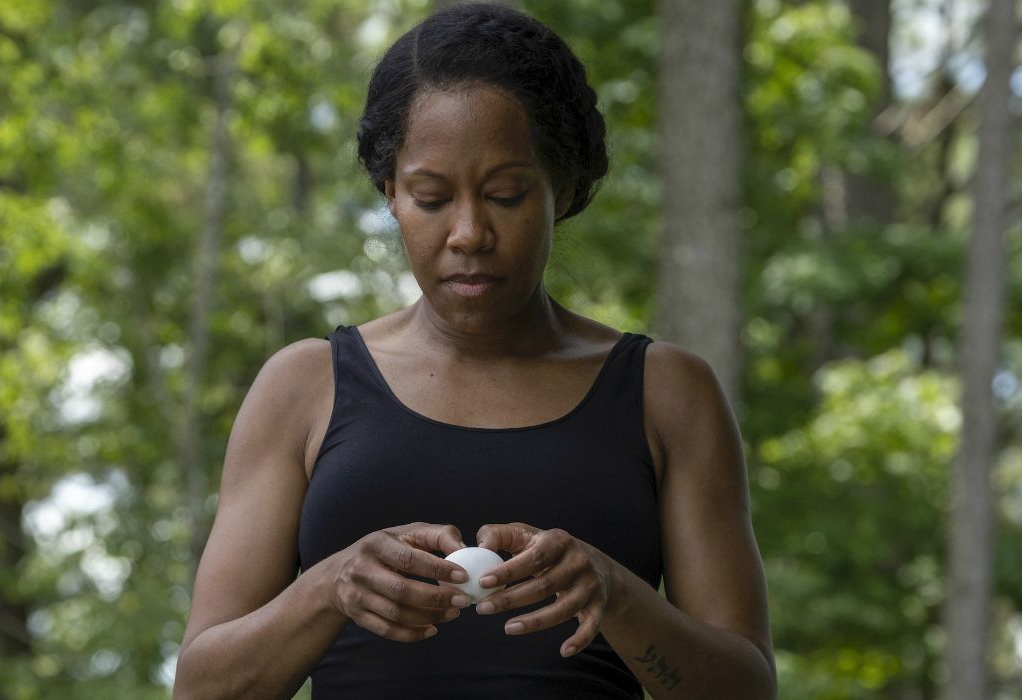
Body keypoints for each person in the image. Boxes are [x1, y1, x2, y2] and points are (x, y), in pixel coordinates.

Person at [173, 4, 774, 698]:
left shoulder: (665, 393)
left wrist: (619, 596)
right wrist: (328, 589)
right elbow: (201, 690)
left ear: (564, 190)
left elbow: (747, 690)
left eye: (505, 194)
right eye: (431, 198)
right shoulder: (305, 387)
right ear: (391, 194)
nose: (469, 233)